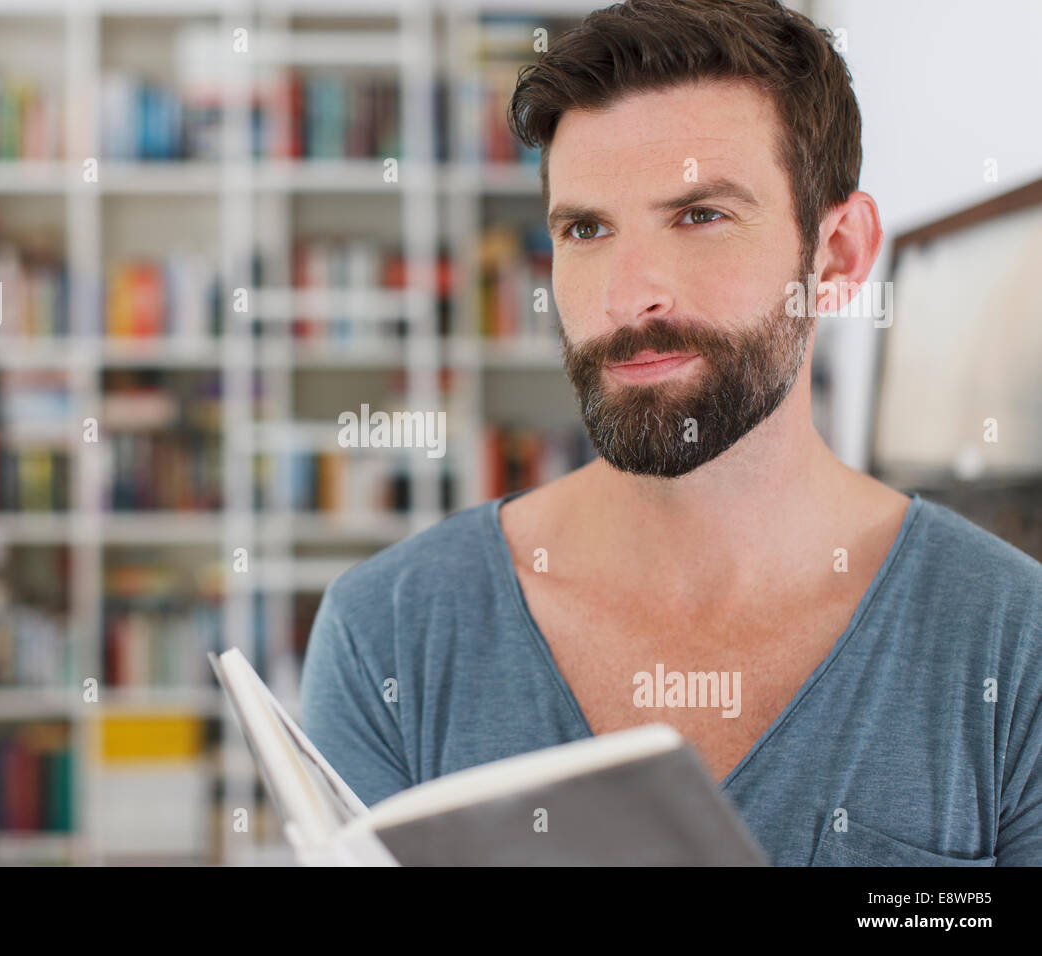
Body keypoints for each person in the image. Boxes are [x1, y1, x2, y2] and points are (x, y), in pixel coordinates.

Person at [299, 0, 1042, 865]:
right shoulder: (387, 634)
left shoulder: (1012, 646)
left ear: (836, 257)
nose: (627, 297)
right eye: (585, 228)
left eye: (700, 215)